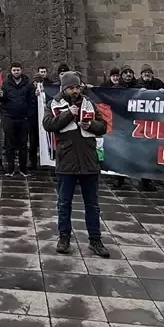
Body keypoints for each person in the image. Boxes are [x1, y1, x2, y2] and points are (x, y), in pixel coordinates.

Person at [43, 71, 110, 258]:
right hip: (67, 161)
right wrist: (67, 115)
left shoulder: (89, 103)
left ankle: (95, 240)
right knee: (64, 203)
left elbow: (103, 126)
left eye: (77, 87)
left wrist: (91, 126)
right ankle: (64, 238)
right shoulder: (54, 104)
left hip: (88, 160)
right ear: (64, 88)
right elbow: (48, 124)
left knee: (92, 204)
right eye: (71, 87)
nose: (75, 91)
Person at [0, 63, 32, 177]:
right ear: (11, 71)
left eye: (18, 70)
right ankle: (10, 169)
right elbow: (3, 100)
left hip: (23, 118)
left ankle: (23, 169)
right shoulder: (6, 83)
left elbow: (31, 100)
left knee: (23, 145)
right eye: (14, 70)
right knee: (9, 145)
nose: (16, 72)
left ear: (21, 70)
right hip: (9, 117)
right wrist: (0, 96)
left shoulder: (28, 84)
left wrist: (28, 114)